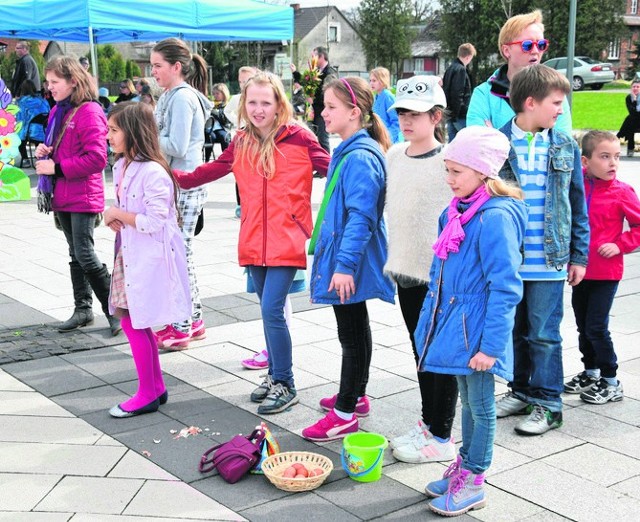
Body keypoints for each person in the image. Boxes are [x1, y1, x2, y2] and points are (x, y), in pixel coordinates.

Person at [174, 72, 330, 414]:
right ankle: (275, 375)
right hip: (253, 239)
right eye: (252, 102)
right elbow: (211, 170)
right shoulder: (241, 140)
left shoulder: (300, 138)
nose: (258, 109)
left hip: (287, 240)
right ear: (244, 104)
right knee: (266, 309)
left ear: (278, 105)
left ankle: (286, 382)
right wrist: (170, 175)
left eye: (266, 102)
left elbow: (334, 169)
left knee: (272, 309)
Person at [418, 126, 527, 517]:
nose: (449, 180)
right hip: (457, 325)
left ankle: (475, 479)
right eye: (447, 170)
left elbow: (506, 287)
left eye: (456, 172)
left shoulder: (494, 217)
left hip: (478, 332)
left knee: (481, 408)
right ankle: (464, 464)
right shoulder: (457, 210)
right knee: (468, 402)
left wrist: (491, 347)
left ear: (483, 173)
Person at [494, 64, 589, 436]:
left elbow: (577, 205)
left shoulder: (564, 144)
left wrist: (579, 255)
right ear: (529, 103)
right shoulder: (499, 144)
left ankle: (549, 403)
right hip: (511, 261)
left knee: (544, 334)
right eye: (556, 102)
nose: (561, 110)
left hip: (549, 262)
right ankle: (520, 390)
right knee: (516, 332)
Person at [301, 77, 395, 441]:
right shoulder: (352, 149)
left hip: (350, 262)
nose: (322, 113)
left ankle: (344, 412)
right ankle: (355, 396)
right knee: (355, 327)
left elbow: (362, 216)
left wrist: (343, 266)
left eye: (331, 107)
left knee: (351, 335)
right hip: (348, 258)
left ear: (354, 113)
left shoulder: (359, 157)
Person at [383, 75, 457, 463]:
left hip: (439, 278)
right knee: (420, 352)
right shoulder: (395, 155)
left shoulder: (448, 160)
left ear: (436, 116)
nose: (406, 121)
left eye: (416, 114)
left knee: (438, 354)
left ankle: (442, 434)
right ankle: (429, 422)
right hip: (405, 274)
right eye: (402, 114)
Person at [103, 102, 190, 418]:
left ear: (133, 132)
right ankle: (154, 387)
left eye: (114, 129)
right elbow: (128, 212)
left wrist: (118, 215)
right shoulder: (122, 165)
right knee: (132, 320)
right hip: (129, 253)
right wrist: (115, 217)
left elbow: (154, 221)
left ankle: (147, 391)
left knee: (132, 321)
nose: (108, 135)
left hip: (148, 258)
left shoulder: (153, 171)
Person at [34, 56, 121, 336]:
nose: (50, 88)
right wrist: (46, 151)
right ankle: (83, 309)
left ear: (73, 81)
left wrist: (56, 167)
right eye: (48, 82)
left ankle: (115, 310)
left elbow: (97, 158)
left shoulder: (89, 111)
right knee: (76, 254)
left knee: (84, 253)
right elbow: (62, 146)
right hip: (63, 193)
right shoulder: (58, 110)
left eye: (54, 82)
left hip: (83, 194)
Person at [564, 131, 640, 404]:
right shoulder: (577, 188)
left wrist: (620, 244)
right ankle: (590, 371)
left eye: (617, 157)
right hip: (579, 271)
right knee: (583, 326)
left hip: (607, 272)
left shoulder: (623, 192)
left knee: (597, 326)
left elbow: (639, 227)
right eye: (605, 157)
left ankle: (611, 380)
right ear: (585, 161)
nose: (613, 163)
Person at [151, 37, 213, 350]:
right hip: (178, 182)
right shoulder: (171, 96)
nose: (153, 72)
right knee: (180, 253)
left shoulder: (181, 99)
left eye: (158, 66)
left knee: (178, 254)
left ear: (176, 67)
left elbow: (175, 145)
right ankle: (194, 320)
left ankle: (183, 325)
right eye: (152, 66)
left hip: (185, 184)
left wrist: (145, 137)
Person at [466, 10, 572, 135]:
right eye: (527, 45)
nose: (535, 51)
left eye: (541, 45)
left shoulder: (555, 91)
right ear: (506, 51)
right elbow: (479, 143)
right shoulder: (484, 94)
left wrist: (496, 136)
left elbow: (563, 145)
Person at [224, 66, 259, 218]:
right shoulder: (237, 98)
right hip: (242, 136)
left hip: (258, 138)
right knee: (240, 170)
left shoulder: (260, 97)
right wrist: (238, 122)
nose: (243, 84)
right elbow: (227, 111)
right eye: (241, 81)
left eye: (247, 81)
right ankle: (241, 203)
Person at [291, 46, 338, 152]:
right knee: (311, 138)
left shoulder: (330, 73)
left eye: (313, 56)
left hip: (323, 111)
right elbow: (305, 81)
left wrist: (313, 99)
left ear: (321, 57)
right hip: (312, 111)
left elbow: (329, 93)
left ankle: (326, 167)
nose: (312, 59)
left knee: (323, 140)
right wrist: (295, 72)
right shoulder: (315, 71)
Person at [442, 43, 476, 141]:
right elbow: (457, 93)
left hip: (450, 113)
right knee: (467, 142)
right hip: (459, 114)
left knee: (452, 145)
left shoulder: (450, 68)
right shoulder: (461, 70)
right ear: (469, 57)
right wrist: (456, 115)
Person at [16, 79, 50, 168]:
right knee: (34, 131)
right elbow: (49, 113)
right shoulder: (43, 100)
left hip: (30, 132)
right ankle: (40, 157)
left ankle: (25, 159)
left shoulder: (22, 102)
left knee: (19, 137)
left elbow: (20, 118)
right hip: (44, 131)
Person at [369, 67, 401, 144]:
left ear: (382, 80)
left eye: (374, 80)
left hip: (390, 141)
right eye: (370, 80)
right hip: (379, 139)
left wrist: (387, 138)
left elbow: (397, 122)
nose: (371, 83)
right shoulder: (376, 97)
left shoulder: (388, 97)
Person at [203, 82, 231, 163]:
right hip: (211, 129)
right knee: (210, 136)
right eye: (214, 94)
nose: (215, 95)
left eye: (217, 93)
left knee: (223, 136)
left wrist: (214, 112)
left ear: (223, 94)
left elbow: (225, 120)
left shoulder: (227, 105)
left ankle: (226, 160)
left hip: (223, 128)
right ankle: (207, 160)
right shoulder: (211, 104)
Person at [616, 80, 640, 157]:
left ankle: (620, 135)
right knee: (631, 121)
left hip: (635, 120)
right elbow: (632, 112)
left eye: (638, 87)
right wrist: (635, 100)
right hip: (634, 121)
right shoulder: (629, 98)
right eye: (634, 87)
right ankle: (630, 148)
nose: (635, 88)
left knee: (629, 120)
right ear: (631, 88)